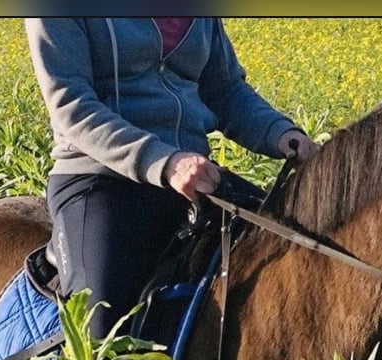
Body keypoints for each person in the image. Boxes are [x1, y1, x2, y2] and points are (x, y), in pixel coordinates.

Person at [24, 18, 318, 340]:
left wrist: (282, 134)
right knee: (101, 333)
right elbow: (72, 106)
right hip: (99, 181)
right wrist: (163, 162)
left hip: (194, 179)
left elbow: (224, 89)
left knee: (299, 252)